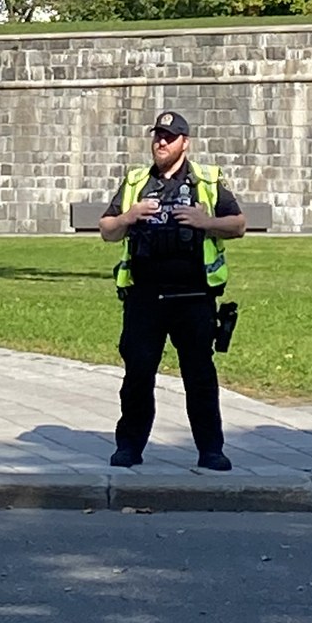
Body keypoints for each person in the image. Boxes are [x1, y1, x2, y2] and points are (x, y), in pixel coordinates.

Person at [99, 109, 246, 471]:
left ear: (186, 143)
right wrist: (128, 216)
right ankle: (129, 448)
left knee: (199, 376)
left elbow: (239, 224)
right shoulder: (136, 181)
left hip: (193, 297)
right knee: (137, 375)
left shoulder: (206, 182)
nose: (161, 142)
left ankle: (211, 450)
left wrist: (205, 221)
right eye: (157, 136)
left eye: (169, 136)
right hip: (145, 298)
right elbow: (107, 229)